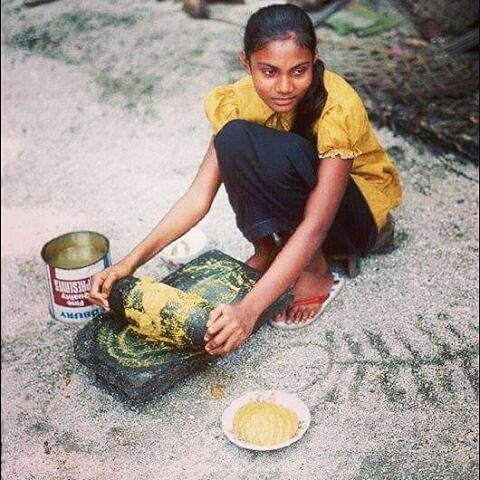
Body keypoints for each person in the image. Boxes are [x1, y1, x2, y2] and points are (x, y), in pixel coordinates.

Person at [88, 3, 402, 356]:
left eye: (299, 71)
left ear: (314, 60)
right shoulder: (237, 100)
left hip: (353, 223)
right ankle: (268, 250)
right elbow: (197, 197)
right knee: (235, 139)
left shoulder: (337, 107)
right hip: (308, 213)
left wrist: (248, 311)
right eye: (268, 71)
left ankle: (317, 273)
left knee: (286, 154)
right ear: (246, 63)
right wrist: (129, 263)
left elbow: (316, 224)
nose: (284, 86)